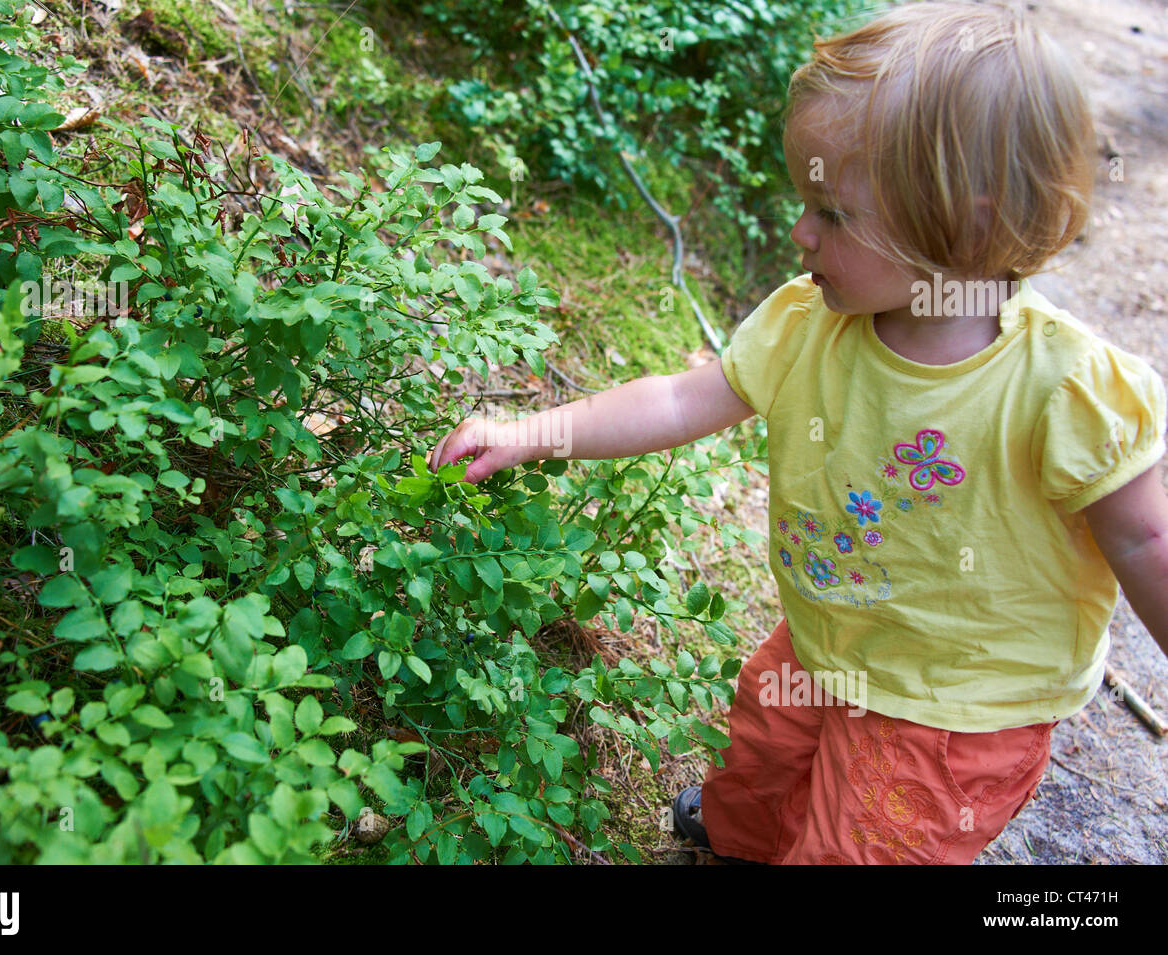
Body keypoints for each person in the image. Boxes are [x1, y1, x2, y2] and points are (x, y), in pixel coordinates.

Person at [427, 1, 1168, 864]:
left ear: (967, 225)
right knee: (764, 757)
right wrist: (536, 429)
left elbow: (1147, 538)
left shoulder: (1063, 389)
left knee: (857, 845)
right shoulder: (809, 322)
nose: (798, 230)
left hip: (952, 714)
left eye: (834, 214)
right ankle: (742, 838)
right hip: (827, 644)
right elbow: (677, 400)